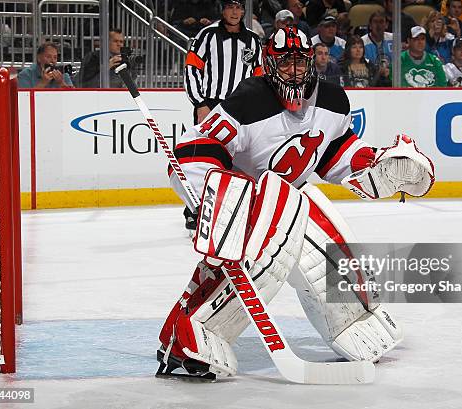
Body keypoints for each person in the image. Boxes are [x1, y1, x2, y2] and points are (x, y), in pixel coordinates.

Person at [156, 26, 435, 380]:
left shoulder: (333, 101)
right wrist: (221, 189)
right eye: (285, 63)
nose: (294, 71)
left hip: (292, 198)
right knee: (255, 267)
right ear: (269, 65)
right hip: (249, 206)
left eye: (300, 63)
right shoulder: (248, 101)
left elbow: (335, 154)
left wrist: (373, 163)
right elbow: (197, 148)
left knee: (332, 258)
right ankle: (188, 341)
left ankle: (352, 324)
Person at [183, 0, 263, 231]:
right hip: (210, 104)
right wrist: (199, 103)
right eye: (230, 7)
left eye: (239, 8)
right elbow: (191, 69)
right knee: (203, 159)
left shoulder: (253, 40)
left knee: (238, 160)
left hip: (241, 107)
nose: (235, 12)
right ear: (223, 10)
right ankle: (194, 211)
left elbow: (258, 76)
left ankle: (231, 208)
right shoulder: (206, 35)